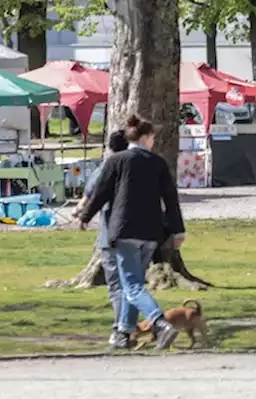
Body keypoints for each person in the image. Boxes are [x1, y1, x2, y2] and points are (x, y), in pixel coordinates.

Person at [79, 115, 186, 351]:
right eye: (152, 138)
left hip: (124, 230)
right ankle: (123, 331)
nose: (154, 142)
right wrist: (177, 230)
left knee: (132, 286)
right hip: (150, 232)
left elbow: (101, 193)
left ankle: (159, 322)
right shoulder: (157, 163)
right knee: (134, 284)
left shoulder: (116, 161)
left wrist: (86, 216)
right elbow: (170, 199)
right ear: (146, 138)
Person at [73, 131, 131, 348]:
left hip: (110, 233)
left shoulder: (104, 169)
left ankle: (120, 328)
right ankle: (132, 326)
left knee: (117, 285)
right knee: (132, 284)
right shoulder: (139, 167)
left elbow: (90, 198)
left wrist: (81, 213)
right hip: (137, 233)